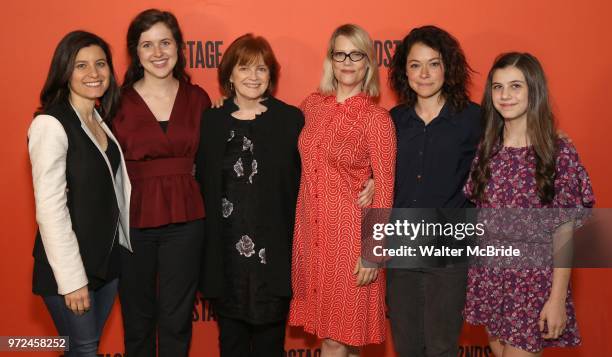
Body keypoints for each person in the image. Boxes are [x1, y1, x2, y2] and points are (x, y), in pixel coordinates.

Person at [463, 52, 594, 356]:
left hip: (533, 283)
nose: (505, 95)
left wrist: (557, 297)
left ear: (534, 90)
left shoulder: (557, 151)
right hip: (490, 278)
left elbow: (564, 232)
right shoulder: (487, 149)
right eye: (497, 87)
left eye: (516, 86)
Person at [288, 24, 396, 356]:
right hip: (311, 236)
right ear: (330, 60)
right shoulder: (311, 106)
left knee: (339, 338)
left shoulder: (377, 119)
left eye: (356, 54)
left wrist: (372, 252)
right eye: (340, 54)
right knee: (332, 338)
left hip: (350, 242)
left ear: (368, 63)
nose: (347, 62)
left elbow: (385, 188)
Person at [195, 33, 303, 357]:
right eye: (244, 68)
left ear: (271, 76)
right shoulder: (211, 121)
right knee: (231, 345)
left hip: (273, 256)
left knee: (271, 345)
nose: (253, 77)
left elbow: (315, 174)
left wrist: (366, 182)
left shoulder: (290, 120)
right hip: (225, 257)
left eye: (261, 69)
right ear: (230, 74)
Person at [111, 9, 211, 357]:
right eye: (147, 45)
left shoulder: (198, 99)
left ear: (179, 47)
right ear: (135, 52)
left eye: (165, 42)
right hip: (133, 219)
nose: (158, 53)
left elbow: (211, 164)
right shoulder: (115, 101)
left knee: (176, 319)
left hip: (187, 219)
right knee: (137, 321)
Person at [28, 30, 130, 356]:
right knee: (85, 350)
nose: (93, 73)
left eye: (100, 64)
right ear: (64, 71)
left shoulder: (100, 120)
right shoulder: (51, 124)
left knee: (82, 349)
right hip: (70, 269)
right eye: (81, 65)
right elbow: (50, 209)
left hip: (107, 263)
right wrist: (72, 280)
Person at [386, 25, 482, 357]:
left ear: (448, 67)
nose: (424, 73)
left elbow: (517, 141)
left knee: (442, 347)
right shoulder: (392, 121)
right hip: (401, 246)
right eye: (415, 64)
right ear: (404, 71)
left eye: (434, 63)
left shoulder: (474, 118)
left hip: (450, 247)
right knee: (407, 346)